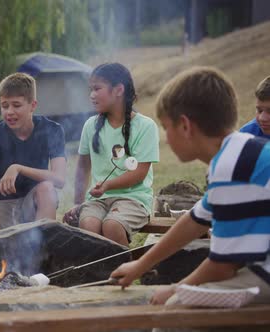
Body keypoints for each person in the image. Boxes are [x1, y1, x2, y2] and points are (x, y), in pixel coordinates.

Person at [111, 67, 270, 307]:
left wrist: (176, 288)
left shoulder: (233, 166)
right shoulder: (239, 151)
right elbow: (196, 220)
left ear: (185, 126)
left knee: (174, 308)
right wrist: (140, 265)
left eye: (166, 128)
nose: (165, 138)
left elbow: (223, 266)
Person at [63, 63, 159, 247]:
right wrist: (78, 202)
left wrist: (108, 185)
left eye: (97, 89)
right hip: (98, 200)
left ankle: (126, 274)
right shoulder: (90, 125)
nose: (91, 95)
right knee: (88, 225)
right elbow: (83, 167)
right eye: (90, 89)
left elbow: (139, 173)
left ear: (119, 90)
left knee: (112, 225)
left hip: (134, 199)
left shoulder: (146, 126)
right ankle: (100, 273)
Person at [0, 72, 66, 247]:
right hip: (3, 203)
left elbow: (60, 179)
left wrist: (18, 168)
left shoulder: (52, 130)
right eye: (5, 106)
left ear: (32, 105)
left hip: (33, 201)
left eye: (16, 105)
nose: (9, 112)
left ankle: (42, 252)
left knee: (47, 188)